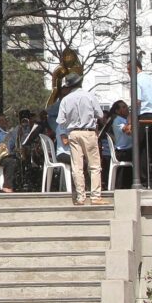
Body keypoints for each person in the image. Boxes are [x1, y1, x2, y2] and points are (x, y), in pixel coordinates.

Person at [55, 73, 102, 205]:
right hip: (88, 132)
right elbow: (100, 114)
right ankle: (95, 196)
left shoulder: (65, 100)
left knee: (77, 166)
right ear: (80, 82)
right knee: (94, 165)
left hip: (73, 133)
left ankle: (80, 197)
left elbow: (60, 120)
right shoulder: (90, 96)